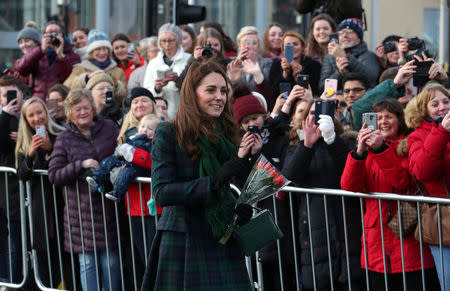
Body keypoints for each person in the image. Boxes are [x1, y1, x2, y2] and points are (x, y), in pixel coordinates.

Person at [141, 59, 259, 290]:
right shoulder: (169, 132)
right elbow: (162, 192)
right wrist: (213, 182)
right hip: (183, 236)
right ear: (192, 93)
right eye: (211, 90)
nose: (219, 97)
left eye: (224, 90)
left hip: (221, 234)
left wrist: (239, 207)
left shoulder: (226, 133)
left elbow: (229, 184)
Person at [341, 98, 438, 291]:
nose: (383, 122)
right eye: (378, 117)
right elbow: (349, 186)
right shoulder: (366, 151)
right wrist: (359, 151)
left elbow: (402, 181)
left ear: (399, 120)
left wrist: (381, 149)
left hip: (409, 242)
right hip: (375, 245)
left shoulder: (410, 145)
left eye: (389, 117)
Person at [282, 100, 363, 291]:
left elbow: (350, 171)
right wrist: (306, 146)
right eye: (311, 113)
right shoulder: (295, 146)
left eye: (321, 112)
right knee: (319, 279)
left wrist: (332, 140)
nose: (317, 117)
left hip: (346, 220)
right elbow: (289, 177)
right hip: (314, 224)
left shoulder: (345, 141)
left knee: (351, 279)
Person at [48, 88, 120, 291]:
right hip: (81, 214)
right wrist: (80, 165)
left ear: (93, 108)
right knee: (87, 264)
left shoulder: (110, 128)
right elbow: (54, 174)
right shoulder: (64, 138)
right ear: (70, 112)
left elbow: (122, 153)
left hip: (109, 210)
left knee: (111, 263)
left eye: (86, 108)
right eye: (77, 109)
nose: (83, 112)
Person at [15, 97, 66, 288]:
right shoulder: (24, 144)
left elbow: (63, 165)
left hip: (61, 204)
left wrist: (50, 149)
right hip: (40, 209)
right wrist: (30, 154)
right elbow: (22, 175)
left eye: (39, 112)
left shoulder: (60, 135)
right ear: (26, 119)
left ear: (46, 112)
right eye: (31, 115)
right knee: (43, 254)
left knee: (63, 255)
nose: (36, 118)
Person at [405, 81, 450, 291]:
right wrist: (441, 131)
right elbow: (422, 171)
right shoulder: (417, 136)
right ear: (425, 110)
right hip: (444, 224)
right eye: (435, 103)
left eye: (446, 101)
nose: (442, 107)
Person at [117, 87, 162, 267]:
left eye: (144, 100)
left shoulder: (163, 127)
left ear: (153, 103)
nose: (139, 104)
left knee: (158, 259)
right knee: (144, 259)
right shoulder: (124, 132)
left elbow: (159, 163)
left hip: (157, 205)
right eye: (135, 101)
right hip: (134, 206)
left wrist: (134, 156)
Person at [87, 114, 160, 202]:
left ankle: (117, 192)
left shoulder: (153, 142)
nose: (144, 130)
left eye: (150, 129)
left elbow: (151, 158)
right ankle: (97, 178)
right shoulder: (133, 137)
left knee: (126, 173)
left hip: (139, 167)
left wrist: (132, 152)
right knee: (110, 160)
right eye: (143, 126)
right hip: (126, 161)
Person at [13, 22, 81, 100]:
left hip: (60, 102)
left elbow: (70, 78)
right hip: (38, 102)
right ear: (44, 36)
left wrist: (61, 56)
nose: (52, 36)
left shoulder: (71, 55)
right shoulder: (37, 53)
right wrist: (41, 50)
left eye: (55, 33)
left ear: (62, 34)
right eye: (48, 33)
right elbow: (20, 69)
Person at [0, 76, 23, 284]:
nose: (10, 99)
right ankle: (11, 283)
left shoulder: (29, 114)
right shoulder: (2, 117)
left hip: (26, 191)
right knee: (10, 244)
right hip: (6, 192)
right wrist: (4, 115)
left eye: (13, 93)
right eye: (5, 95)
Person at [64, 29, 127, 105]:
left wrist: (116, 84)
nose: (102, 53)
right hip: (86, 110)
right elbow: (66, 88)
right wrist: (86, 78)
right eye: (98, 49)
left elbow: (123, 98)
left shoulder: (118, 71)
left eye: (105, 49)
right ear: (91, 52)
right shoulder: (81, 68)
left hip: (111, 112)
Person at [143, 23, 190, 120]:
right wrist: (157, 88)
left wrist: (179, 81)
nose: (167, 45)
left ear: (178, 41)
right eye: (163, 41)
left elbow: (195, 87)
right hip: (160, 115)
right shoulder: (153, 63)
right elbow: (146, 91)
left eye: (171, 40)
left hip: (185, 113)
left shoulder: (188, 60)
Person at [320, 18, 380, 90]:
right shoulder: (329, 57)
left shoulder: (369, 55)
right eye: (341, 32)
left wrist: (345, 57)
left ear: (359, 38)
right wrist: (339, 73)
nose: (345, 35)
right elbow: (323, 88)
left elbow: (371, 78)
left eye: (350, 31)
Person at [269, 30, 322, 98]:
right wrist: (284, 74)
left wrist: (299, 76)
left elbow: (315, 92)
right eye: (288, 45)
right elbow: (273, 93)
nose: (292, 47)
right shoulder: (276, 64)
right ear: (283, 49)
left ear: (302, 47)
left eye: (295, 44)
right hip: (283, 104)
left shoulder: (313, 65)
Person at [227, 26, 273, 91]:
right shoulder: (232, 64)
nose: (248, 46)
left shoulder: (267, 63)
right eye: (245, 43)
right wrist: (232, 81)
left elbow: (268, 86)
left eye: (253, 43)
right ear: (239, 46)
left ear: (258, 46)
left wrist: (254, 64)